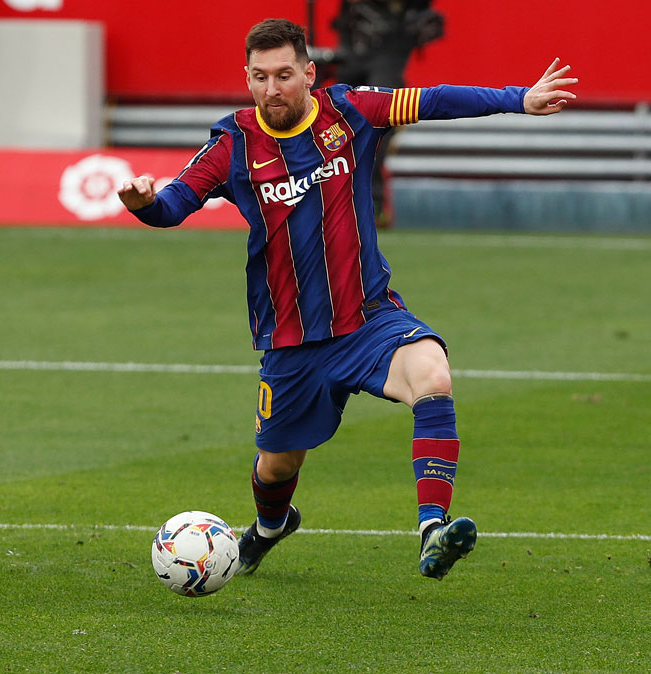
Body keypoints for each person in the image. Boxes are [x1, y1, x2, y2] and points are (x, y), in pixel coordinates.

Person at [117, 19, 576, 581]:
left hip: (368, 319)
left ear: (309, 73)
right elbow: (173, 207)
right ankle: (269, 528)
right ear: (247, 78)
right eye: (260, 77)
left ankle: (433, 529)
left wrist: (517, 99)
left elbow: (432, 101)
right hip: (291, 341)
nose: (272, 89)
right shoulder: (232, 144)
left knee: (432, 374)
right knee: (277, 463)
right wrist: (143, 203)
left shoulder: (350, 111)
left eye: (284, 75)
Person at [330, 0, 445, 223]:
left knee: (377, 120)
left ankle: (373, 205)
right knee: (338, 125)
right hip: (354, 51)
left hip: (387, 50)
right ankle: (348, 205)